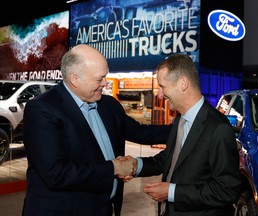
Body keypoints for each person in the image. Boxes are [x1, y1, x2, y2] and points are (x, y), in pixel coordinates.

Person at [21, 44, 171, 216]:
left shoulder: (109, 105)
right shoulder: (42, 109)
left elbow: (142, 132)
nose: (105, 83)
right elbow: (56, 173)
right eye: (100, 79)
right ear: (75, 79)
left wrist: (186, 127)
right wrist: (114, 168)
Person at [126, 54, 243, 216]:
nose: (159, 94)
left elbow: (227, 190)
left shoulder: (218, 128)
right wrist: (135, 165)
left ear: (183, 84)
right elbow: (170, 158)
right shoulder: (180, 119)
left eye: (162, 86)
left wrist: (172, 192)